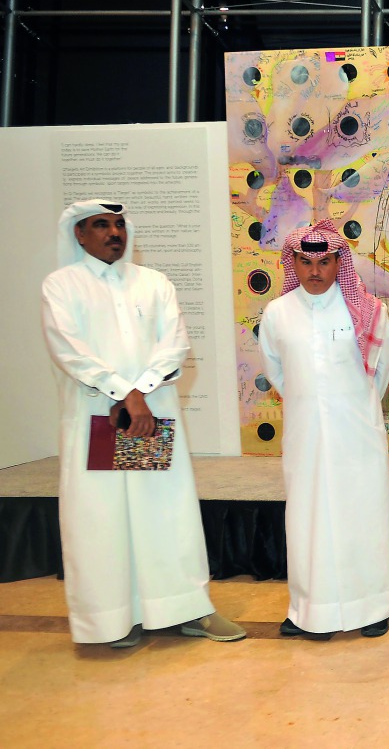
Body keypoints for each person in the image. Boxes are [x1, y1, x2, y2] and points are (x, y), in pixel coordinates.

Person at [41, 200, 245, 647]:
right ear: (79, 234)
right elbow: (68, 349)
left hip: (148, 420)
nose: (114, 233)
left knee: (166, 514)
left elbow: (174, 343)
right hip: (100, 419)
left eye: (118, 225)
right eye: (101, 225)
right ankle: (114, 621)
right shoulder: (63, 285)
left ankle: (188, 610)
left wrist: (141, 392)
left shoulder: (154, 283)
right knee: (102, 519)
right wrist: (125, 393)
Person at [258, 220, 389, 639]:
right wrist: (313, 405)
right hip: (305, 438)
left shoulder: (368, 311)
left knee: (364, 514)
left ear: (339, 261)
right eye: (305, 261)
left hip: (356, 434)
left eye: (324, 261)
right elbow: (278, 374)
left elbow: (383, 367)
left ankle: (373, 605)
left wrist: (351, 406)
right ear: (294, 263)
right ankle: (310, 609)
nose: (315, 270)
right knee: (307, 518)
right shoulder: (277, 314)